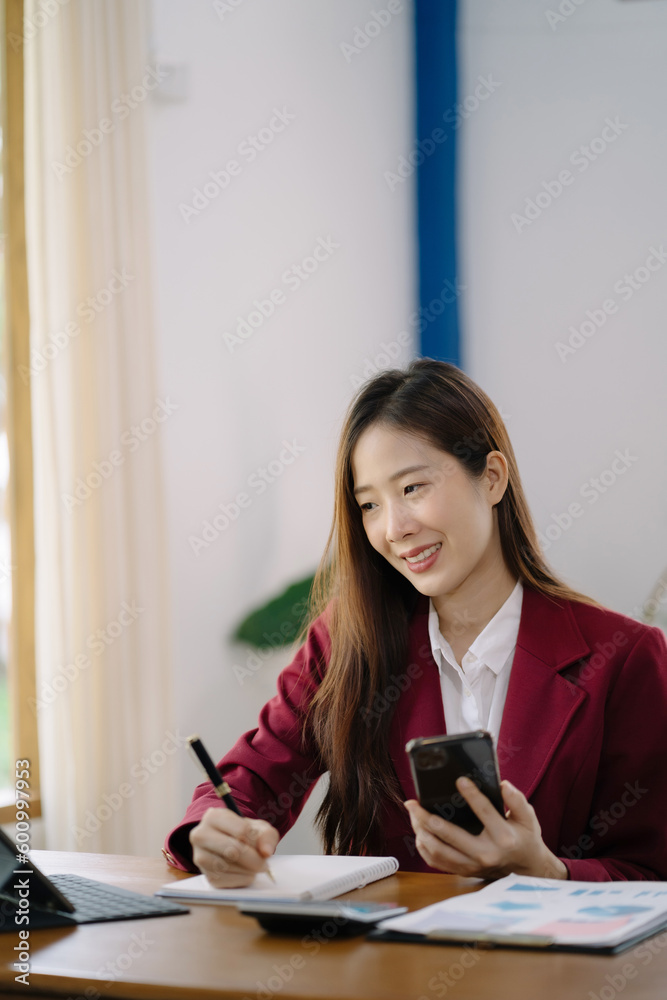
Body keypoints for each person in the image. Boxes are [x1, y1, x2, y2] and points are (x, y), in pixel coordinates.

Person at [164, 359, 667, 886]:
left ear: (492, 478)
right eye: (369, 505)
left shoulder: (623, 657)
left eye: (412, 489)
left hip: (555, 966)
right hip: (392, 964)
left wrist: (544, 870)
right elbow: (252, 778)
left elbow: (651, 873)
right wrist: (216, 832)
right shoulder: (347, 640)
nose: (394, 528)